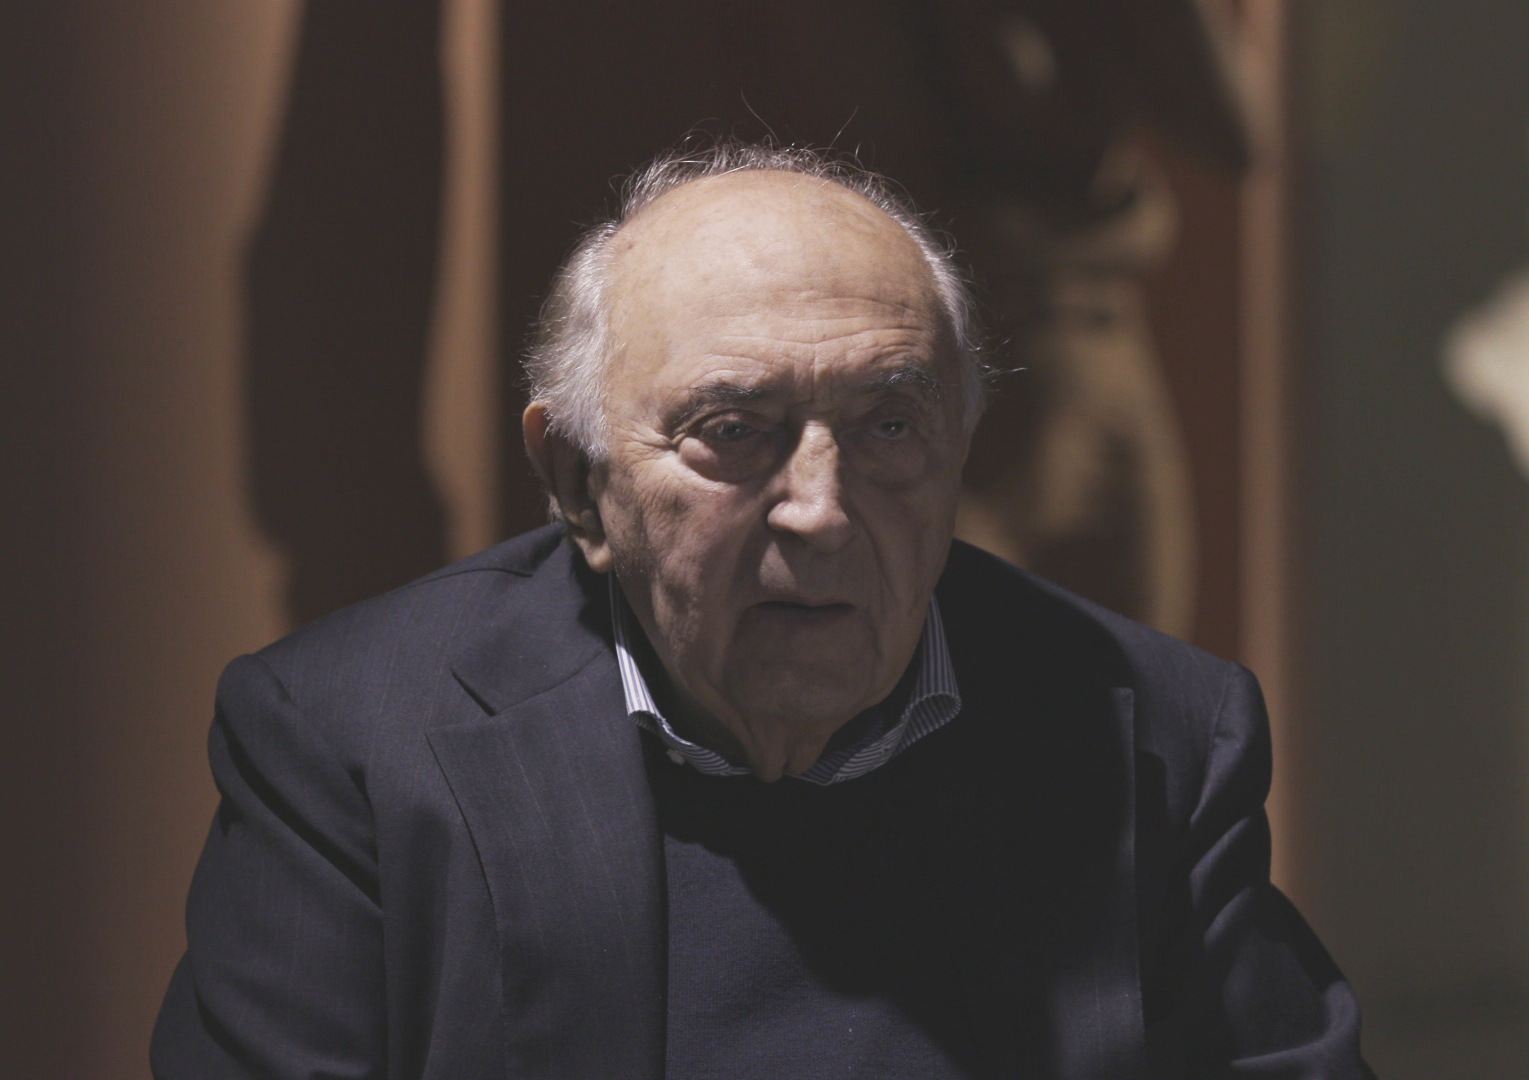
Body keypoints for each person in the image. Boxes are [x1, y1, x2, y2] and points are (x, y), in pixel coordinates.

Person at [152, 142, 1372, 1079]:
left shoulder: (1151, 731)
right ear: (577, 480)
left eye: (889, 425)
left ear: (960, 450)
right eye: (734, 432)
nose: (822, 512)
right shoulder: (353, 742)